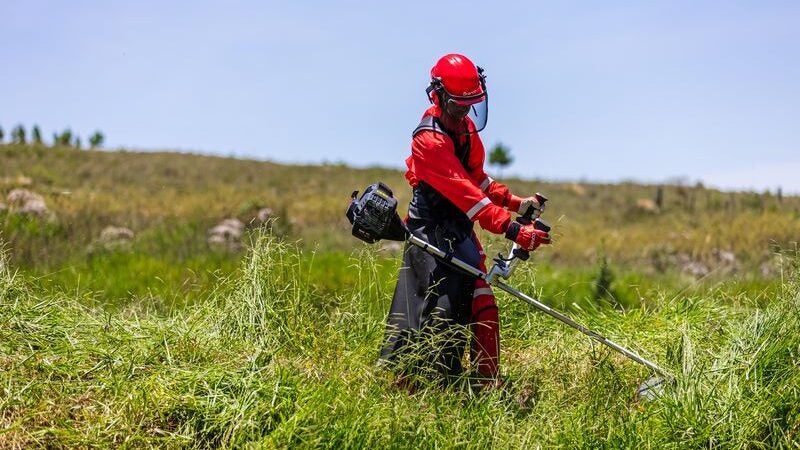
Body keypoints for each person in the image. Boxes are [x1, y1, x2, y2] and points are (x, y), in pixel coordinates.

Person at [379, 53, 552, 388]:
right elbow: (470, 199)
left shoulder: (467, 129)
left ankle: (485, 388)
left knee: (483, 304)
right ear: (439, 97)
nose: (465, 112)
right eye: (458, 105)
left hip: (459, 230)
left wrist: (518, 203)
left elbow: (479, 182)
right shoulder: (428, 140)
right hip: (429, 234)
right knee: (431, 320)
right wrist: (516, 229)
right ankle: (416, 389)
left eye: (471, 104)